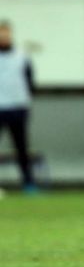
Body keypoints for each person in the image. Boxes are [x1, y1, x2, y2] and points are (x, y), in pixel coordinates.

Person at [0, 20, 37, 193]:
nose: (4, 36)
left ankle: (28, 183)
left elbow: (29, 81)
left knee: (22, 148)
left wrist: (24, 102)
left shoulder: (21, 56)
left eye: (6, 33)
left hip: (18, 108)